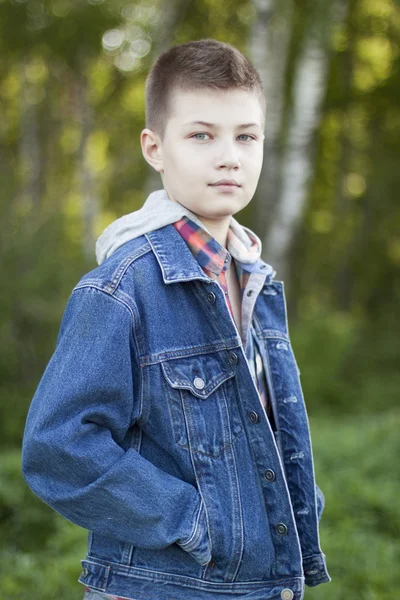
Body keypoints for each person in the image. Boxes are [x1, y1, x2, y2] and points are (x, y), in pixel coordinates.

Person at [21, 38, 331, 600]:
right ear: (154, 147)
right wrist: (195, 520)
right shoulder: (121, 288)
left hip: (261, 586)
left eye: (246, 136)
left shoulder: (254, 279)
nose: (229, 155)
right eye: (201, 135)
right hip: (160, 587)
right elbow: (58, 447)